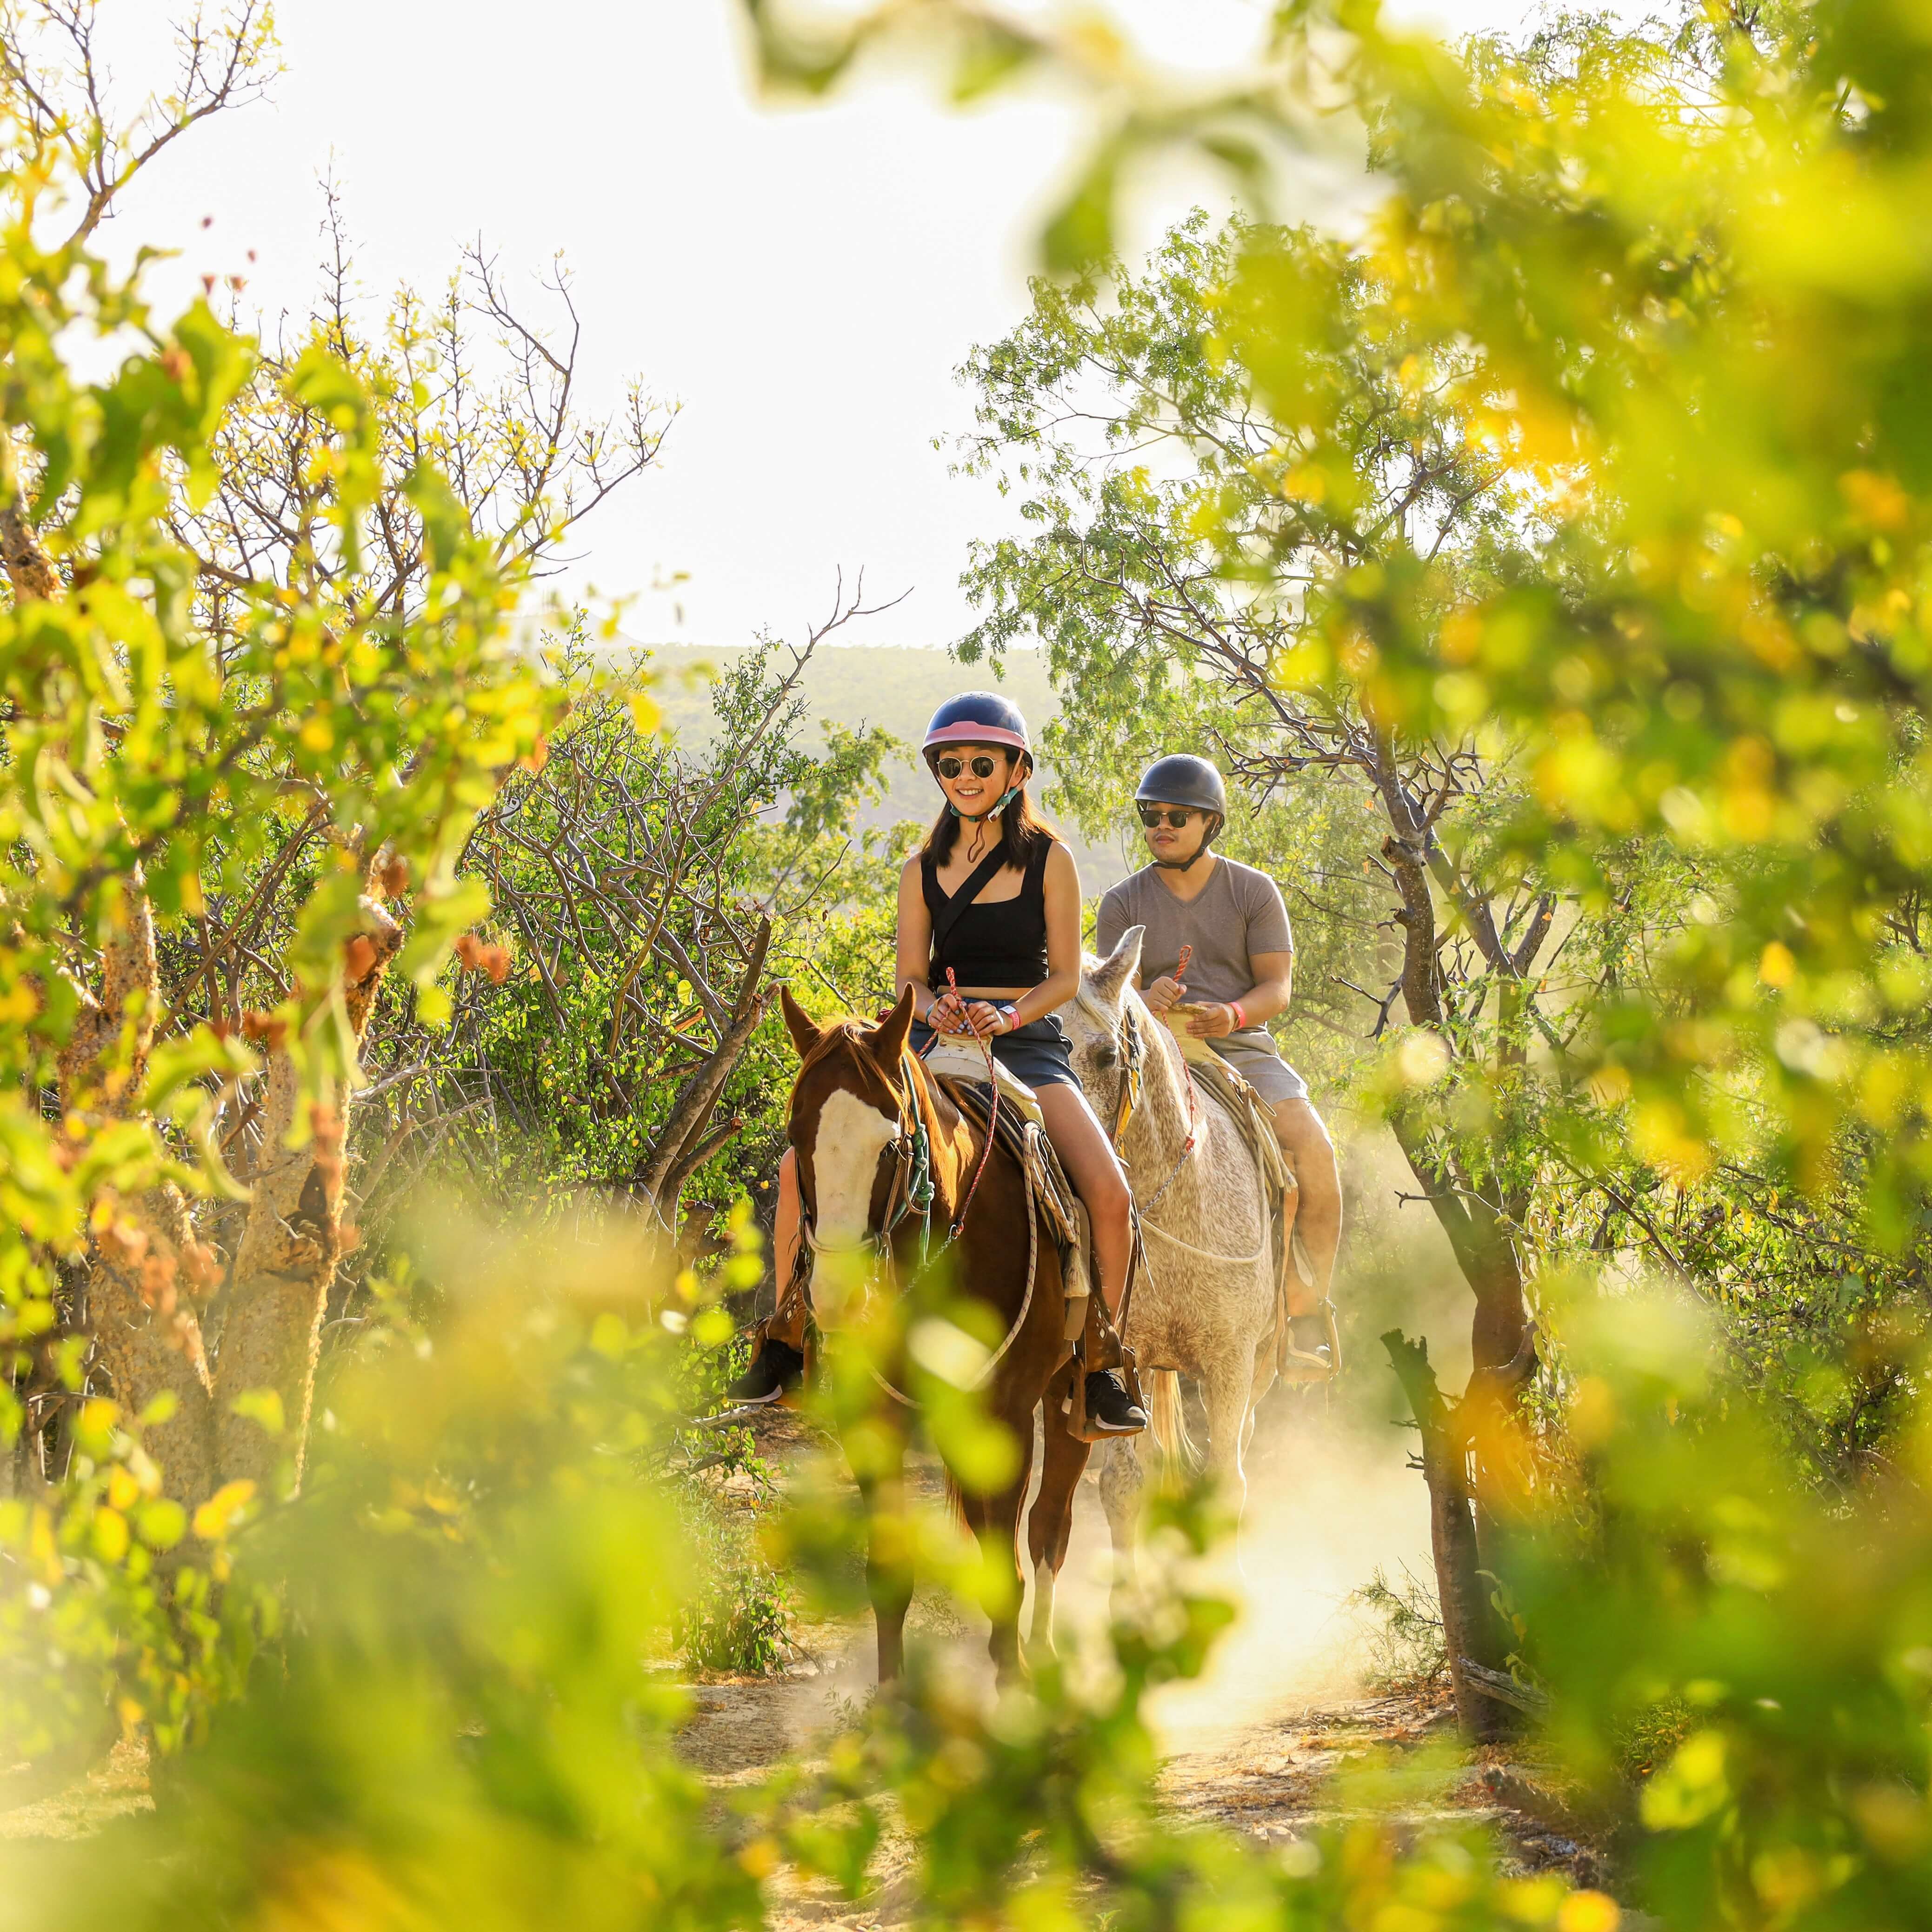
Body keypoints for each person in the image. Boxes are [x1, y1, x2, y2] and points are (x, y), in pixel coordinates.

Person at [731, 693, 1148, 1435]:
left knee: (1109, 1193)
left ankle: (1100, 1357)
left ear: (1016, 770)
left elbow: (1062, 976)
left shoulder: (1052, 860)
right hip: (930, 1045)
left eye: (980, 762)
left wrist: (1008, 1014)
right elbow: (907, 981)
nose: (964, 774)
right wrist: (933, 1010)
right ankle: (789, 1331)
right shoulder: (920, 867)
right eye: (950, 764)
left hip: (1024, 1043)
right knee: (802, 1168)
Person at [1094, 753, 1342, 1370]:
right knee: (1072, 1152)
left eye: (1175, 815)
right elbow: (1105, 996)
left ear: (1210, 823)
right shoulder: (1120, 902)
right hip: (1150, 1054)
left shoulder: (1252, 890)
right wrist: (1143, 1000)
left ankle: (1304, 1309)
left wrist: (1231, 1015)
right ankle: (1082, 1308)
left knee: (1315, 1152)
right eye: (1150, 815)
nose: (1160, 825)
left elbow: (1276, 987)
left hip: (1238, 1047)